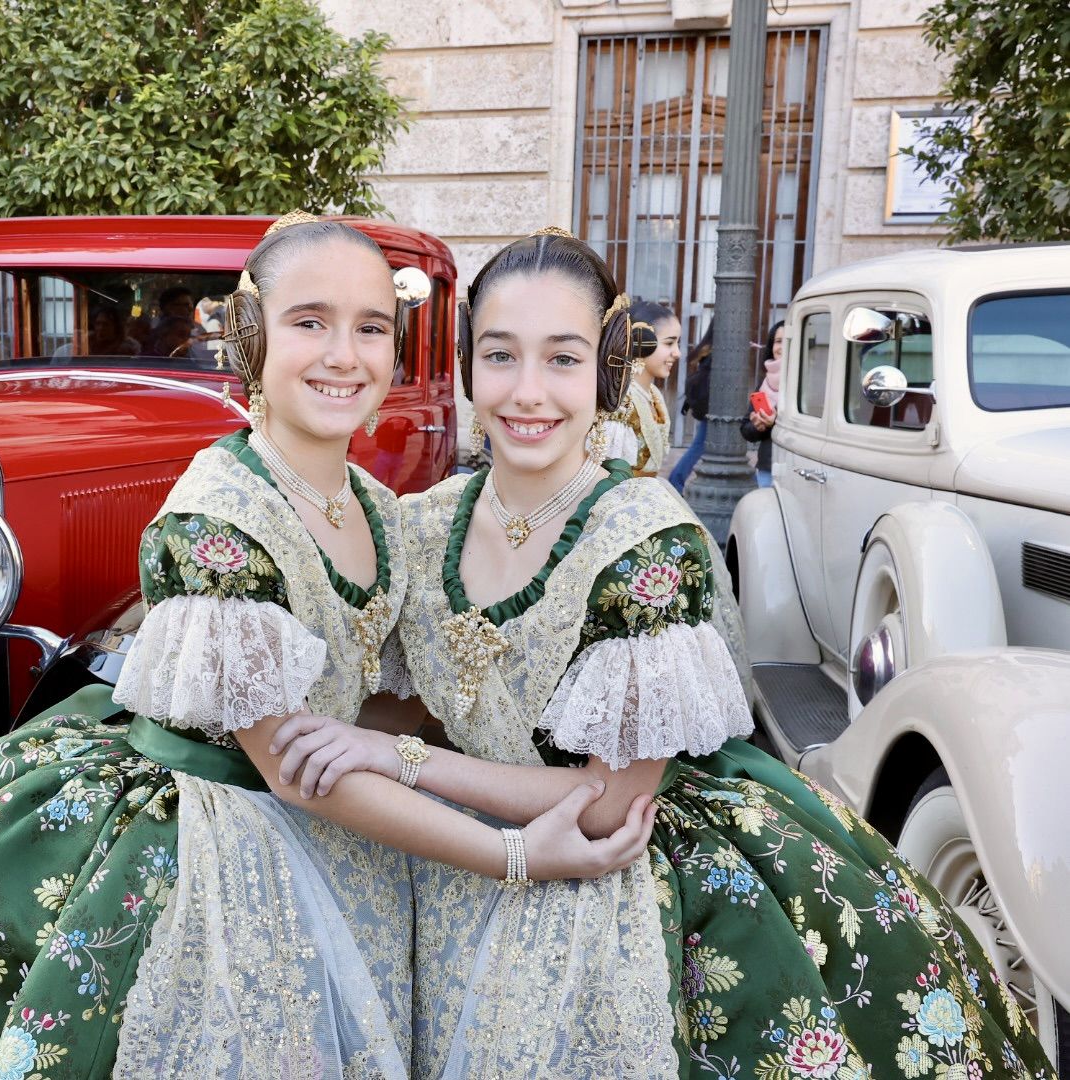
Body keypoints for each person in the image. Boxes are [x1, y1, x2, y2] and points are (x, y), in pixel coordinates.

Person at [0, 214, 652, 1080]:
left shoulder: (375, 508)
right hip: (213, 838)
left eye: (370, 327)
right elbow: (290, 767)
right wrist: (515, 854)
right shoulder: (217, 512)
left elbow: (379, 700)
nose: (343, 354)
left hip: (343, 837)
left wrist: (473, 755)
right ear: (251, 338)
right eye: (309, 322)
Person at [274, 228, 1055, 1077]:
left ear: (606, 371)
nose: (527, 392)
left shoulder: (645, 543)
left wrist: (398, 760)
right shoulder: (425, 523)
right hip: (452, 871)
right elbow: (415, 696)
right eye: (500, 356)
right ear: (468, 365)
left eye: (564, 360)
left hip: (607, 879)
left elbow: (607, 806)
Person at [605, 297, 678, 477]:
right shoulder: (622, 401)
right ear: (640, 341)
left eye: (677, 343)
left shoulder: (653, 394)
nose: (677, 353)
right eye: (669, 343)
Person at [667, 314, 714, 492]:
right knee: (699, 447)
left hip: (707, 406)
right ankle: (676, 481)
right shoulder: (716, 350)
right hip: (713, 407)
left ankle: (676, 480)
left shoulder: (707, 348)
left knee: (700, 446)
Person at [742, 320, 784, 487]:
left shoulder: (806, 381)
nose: (782, 347)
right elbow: (746, 430)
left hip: (796, 468)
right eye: (778, 341)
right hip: (767, 466)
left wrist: (775, 422)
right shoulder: (764, 382)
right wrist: (758, 426)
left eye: (789, 341)